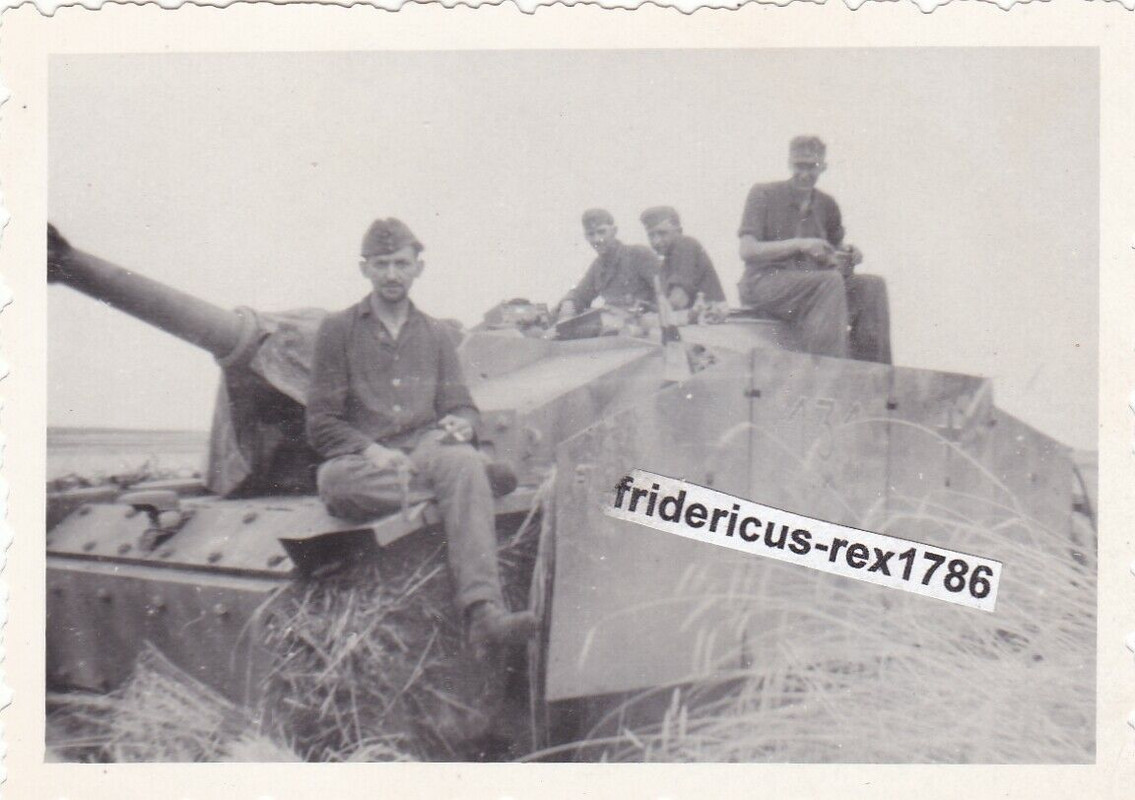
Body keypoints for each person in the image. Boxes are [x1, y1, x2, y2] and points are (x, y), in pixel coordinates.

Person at [306, 217, 537, 657]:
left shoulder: (437, 334)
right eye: (381, 264)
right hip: (368, 462)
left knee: (460, 459)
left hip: (427, 449)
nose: (392, 274)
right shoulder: (338, 331)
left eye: (400, 263)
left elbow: (461, 405)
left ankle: (483, 612)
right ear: (364, 269)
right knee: (334, 483)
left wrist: (463, 424)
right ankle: (471, 485)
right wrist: (371, 450)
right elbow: (320, 422)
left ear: (418, 268)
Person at [737, 136, 892, 363]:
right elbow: (747, 250)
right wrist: (800, 244)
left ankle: (875, 373)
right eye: (799, 166)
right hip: (764, 283)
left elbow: (834, 252)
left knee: (872, 286)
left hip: (810, 285)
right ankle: (827, 372)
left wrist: (848, 254)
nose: (804, 174)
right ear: (789, 163)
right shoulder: (764, 194)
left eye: (812, 167)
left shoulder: (827, 205)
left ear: (823, 167)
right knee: (828, 282)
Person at [557, 208, 659, 319]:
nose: (597, 239)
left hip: (645, 323)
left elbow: (665, 290)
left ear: (614, 231)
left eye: (601, 232)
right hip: (615, 325)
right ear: (586, 237)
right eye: (591, 234)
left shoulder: (638, 254)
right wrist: (568, 304)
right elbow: (580, 294)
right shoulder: (598, 267)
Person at [639, 205, 727, 313]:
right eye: (651, 235)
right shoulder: (667, 262)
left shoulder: (685, 245)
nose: (656, 241)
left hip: (710, 318)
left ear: (679, 231)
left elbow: (679, 301)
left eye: (662, 233)